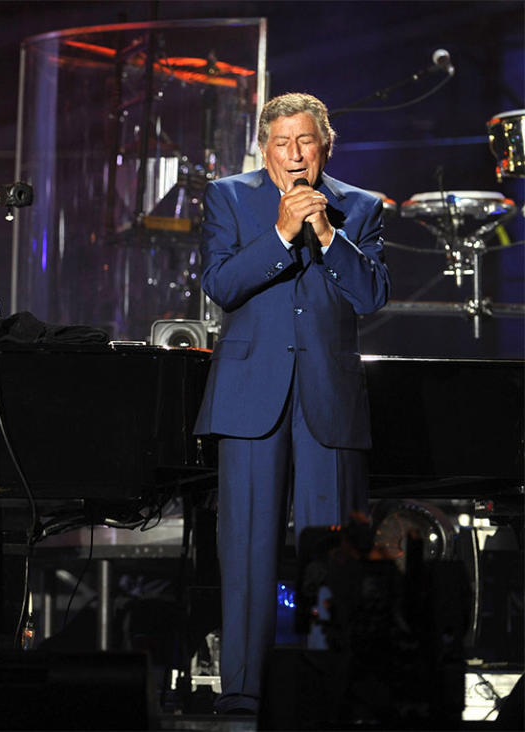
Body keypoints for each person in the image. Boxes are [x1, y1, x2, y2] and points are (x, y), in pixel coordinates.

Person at [193, 93, 390, 714]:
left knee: (331, 553)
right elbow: (221, 285)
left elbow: (372, 295)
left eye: (305, 141)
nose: (294, 154)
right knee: (247, 548)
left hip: (328, 397)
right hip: (251, 395)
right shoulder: (229, 196)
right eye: (282, 142)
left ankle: (328, 689)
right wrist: (281, 233)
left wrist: (328, 234)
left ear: (325, 145)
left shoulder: (359, 206)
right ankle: (245, 692)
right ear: (264, 147)